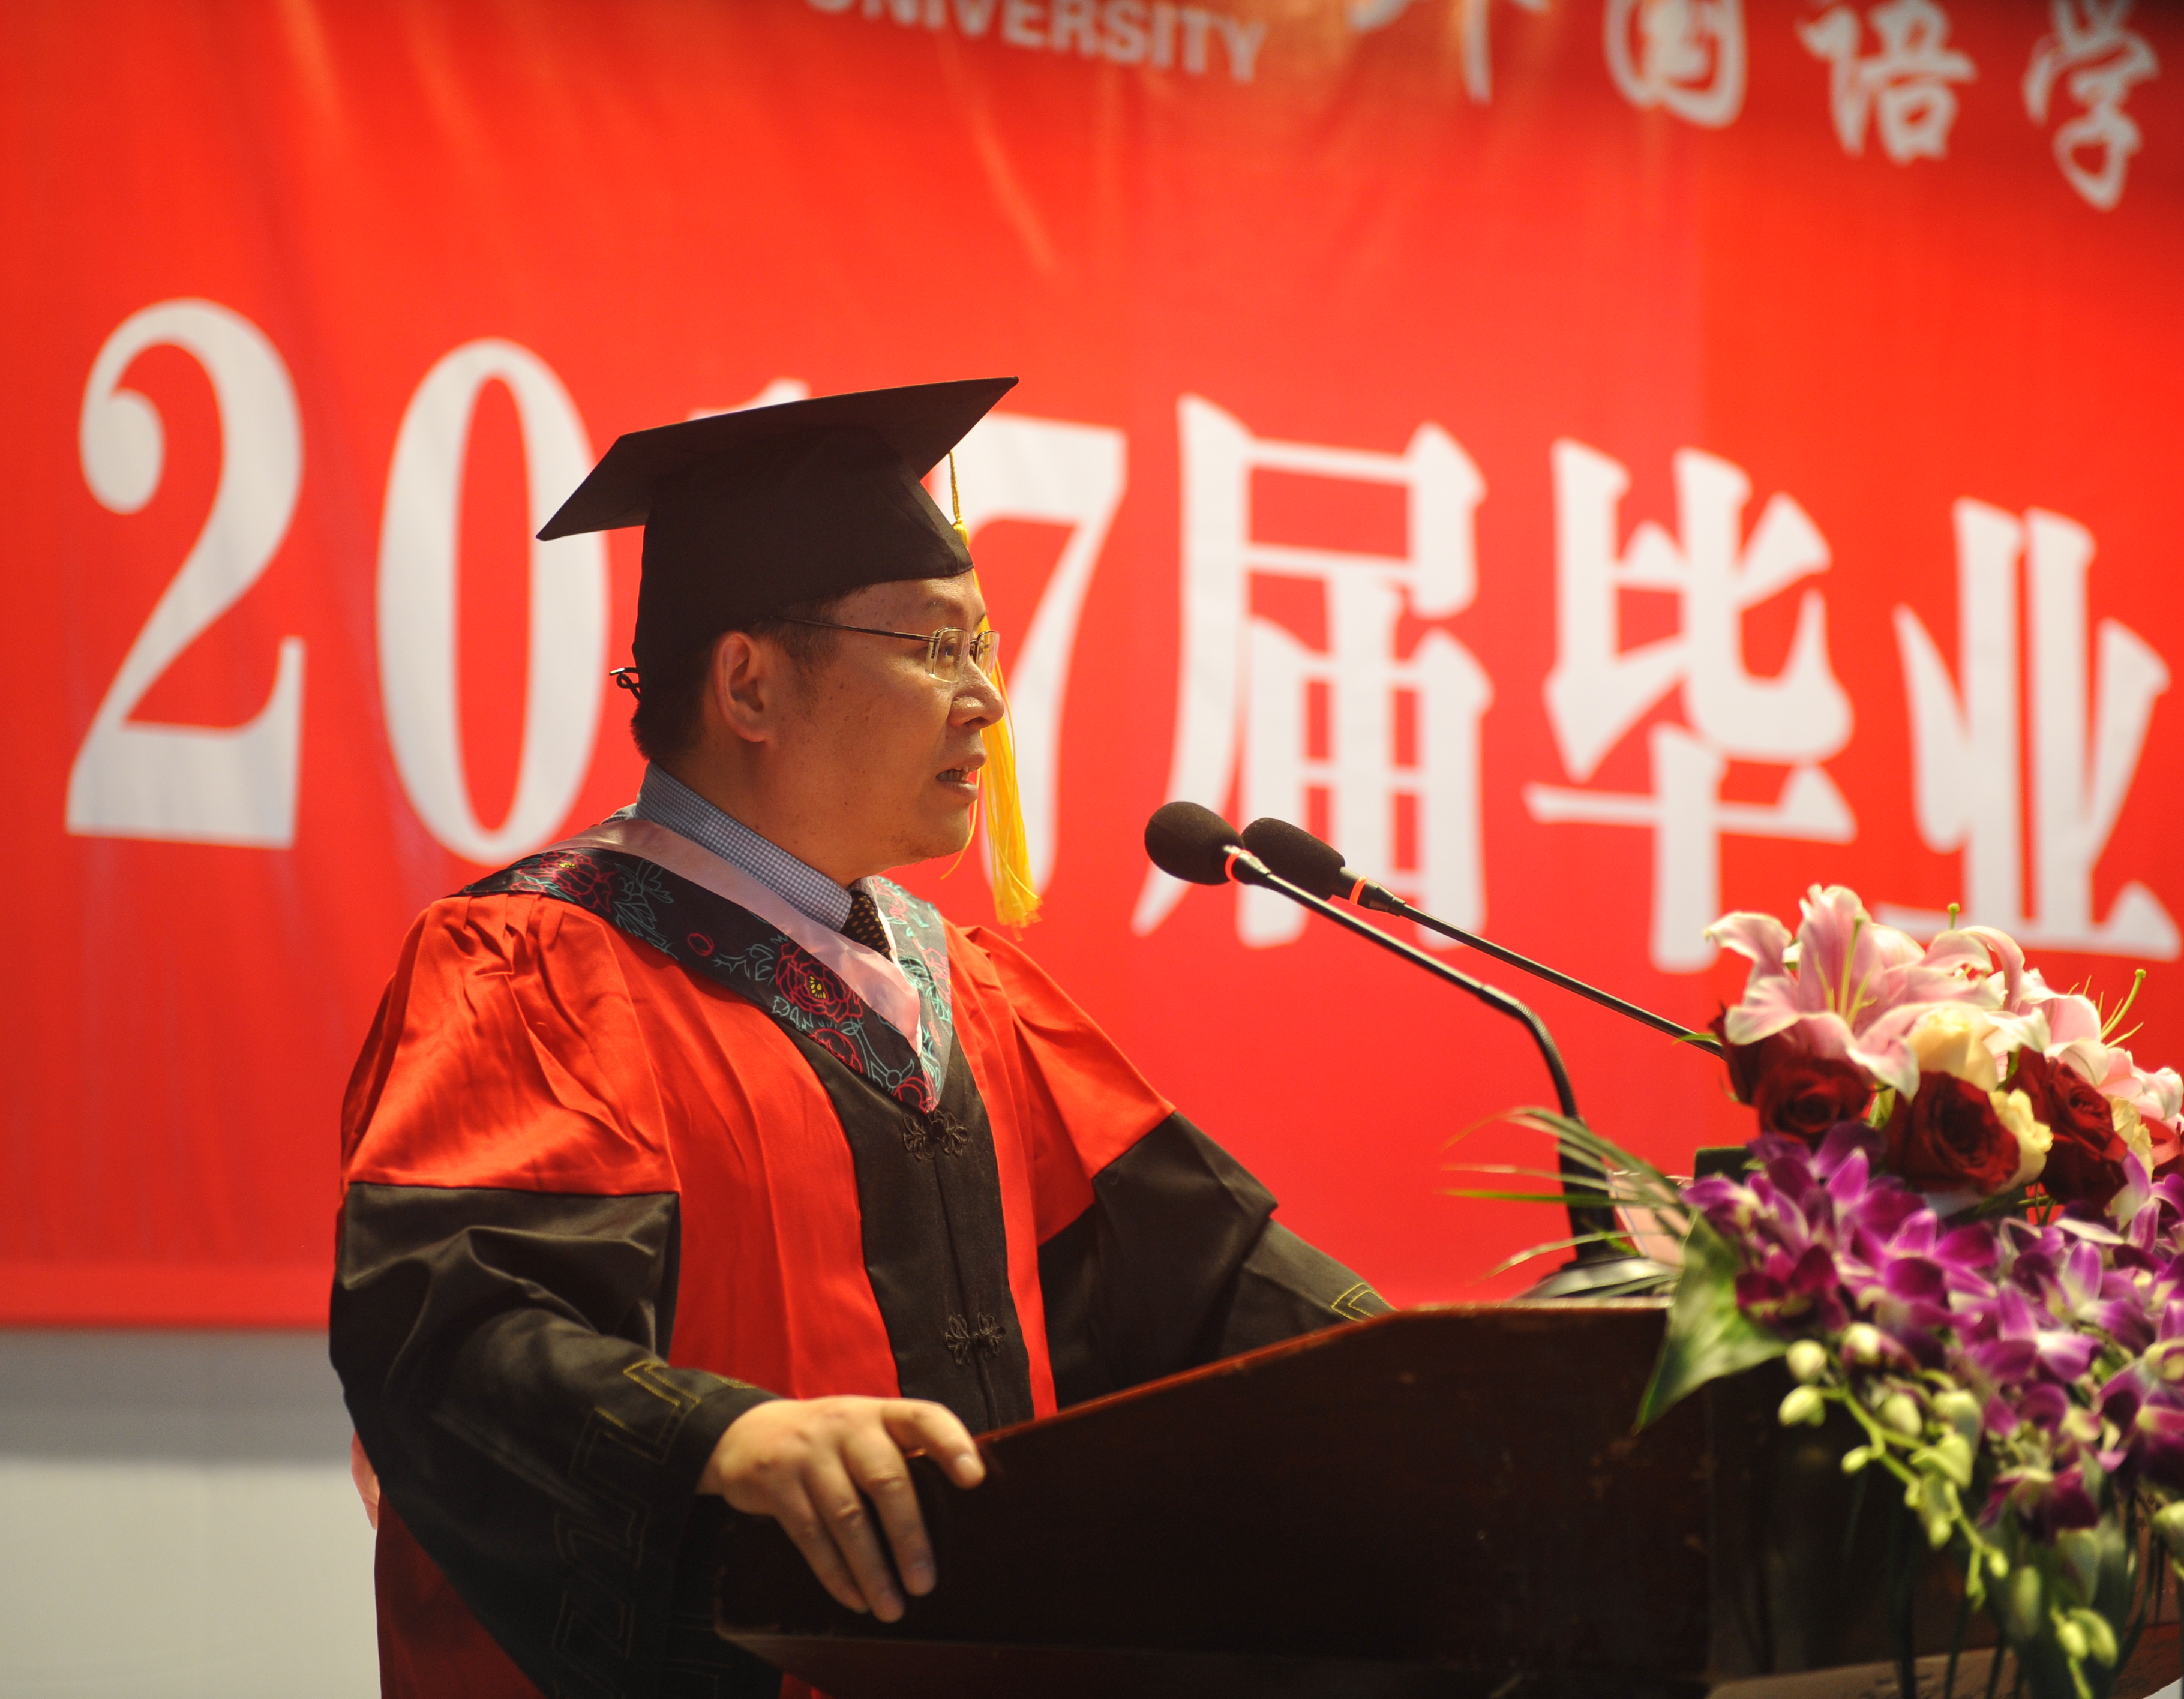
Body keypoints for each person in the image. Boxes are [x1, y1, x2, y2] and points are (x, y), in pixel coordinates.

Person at [329, 378, 1390, 1699]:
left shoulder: (968, 995)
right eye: (936, 648)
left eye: (982, 646)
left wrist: (1487, 1372)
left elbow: (1213, 1291)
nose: (987, 700)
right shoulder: (541, 973)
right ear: (749, 683)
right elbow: (454, 1342)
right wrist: (720, 1443)